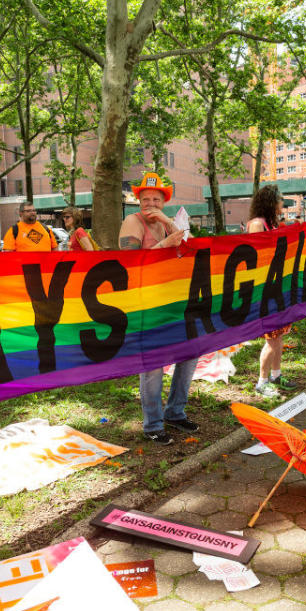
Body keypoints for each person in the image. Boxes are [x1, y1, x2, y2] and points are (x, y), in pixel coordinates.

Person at [119, 173, 197, 445]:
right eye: (144, 199)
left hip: (173, 301)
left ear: (164, 201)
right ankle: (153, 423)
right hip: (146, 304)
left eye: (155, 199)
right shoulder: (132, 221)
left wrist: (168, 224)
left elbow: (191, 248)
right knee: (153, 365)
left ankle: (175, 411)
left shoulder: (167, 224)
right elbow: (129, 264)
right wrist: (166, 244)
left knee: (190, 353)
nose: (149, 204)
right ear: (137, 200)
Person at [246, 184, 298, 399]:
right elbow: (259, 257)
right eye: (280, 200)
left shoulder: (271, 224)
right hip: (265, 291)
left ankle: (276, 375)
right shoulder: (257, 225)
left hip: (278, 287)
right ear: (270, 202)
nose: (282, 204)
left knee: (280, 335)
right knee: (272, 339)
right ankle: (261, 382)